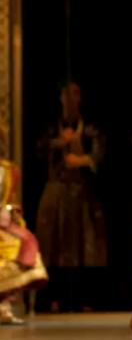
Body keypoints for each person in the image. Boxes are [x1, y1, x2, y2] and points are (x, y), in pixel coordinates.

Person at [35, 82, 105, 311]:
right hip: (56, 191)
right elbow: (39, 148)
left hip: (81, 193)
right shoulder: (51, 128)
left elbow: (99, 154)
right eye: (66, 93)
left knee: (82, 246)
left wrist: (82, 158)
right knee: (53, 244)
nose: (70, 98)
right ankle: (53, 297)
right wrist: (59, 143)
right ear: (60, 97)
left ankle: (82, 297)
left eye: (75, 93)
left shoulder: (90, 129)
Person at [0, 156, 48, 324]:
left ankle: (3, 307)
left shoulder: (6, 169)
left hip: (2, 223)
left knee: (22, 242)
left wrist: (8, 211)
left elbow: (8, 200)